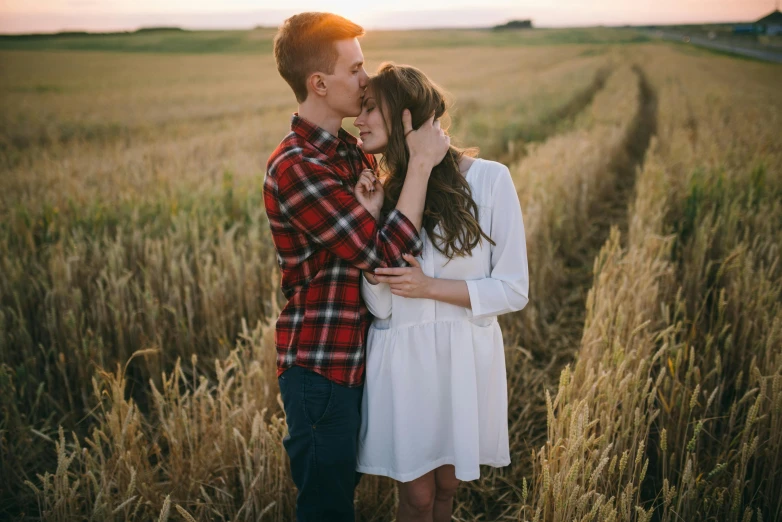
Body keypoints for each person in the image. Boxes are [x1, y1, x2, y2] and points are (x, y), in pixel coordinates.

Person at [263, 13, 450, 522]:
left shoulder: (352, 151)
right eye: (356, 68)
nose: (367, 79)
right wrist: (419, 167)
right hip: (323, 366)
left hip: (367, 359)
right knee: (327, 509)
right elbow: (387, 257)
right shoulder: (296, 166)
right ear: (319, 84)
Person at [353, 63, 530, 522]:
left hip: (463, 360)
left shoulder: (491, 180)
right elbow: (381, 308)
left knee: (448, 488)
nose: (360, 120)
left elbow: (513, 289)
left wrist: (431, 287)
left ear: (405, 115)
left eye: (370, 108)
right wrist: (372, 225)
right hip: (405, 364)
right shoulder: (387, 193)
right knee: (418, 497)